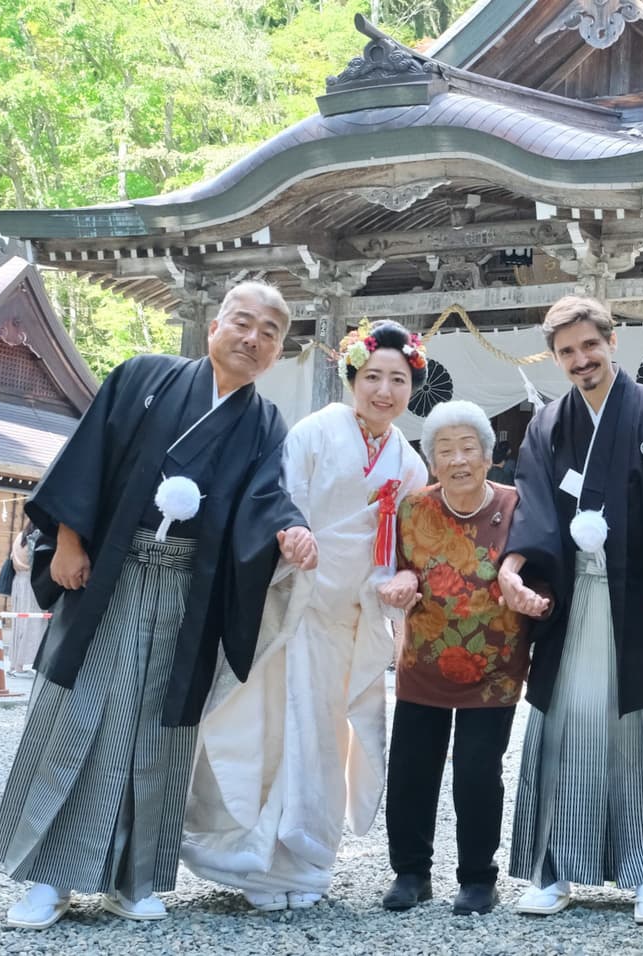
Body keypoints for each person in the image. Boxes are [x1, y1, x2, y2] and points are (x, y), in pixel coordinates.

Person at [0, 280, 315, 930]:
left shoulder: (263, 423)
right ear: (215, 323)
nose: (253, 338)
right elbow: (88, 458)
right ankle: (49, 880)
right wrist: (69, 543)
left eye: (270, 331)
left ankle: (131, 879)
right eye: (243, 322)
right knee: (85, 717)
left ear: (279, 350)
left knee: (158, 736)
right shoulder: (144, 376)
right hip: (111, 575)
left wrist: (292, 528)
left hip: (188, 595)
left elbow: (266, 496)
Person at [183, 319, 429, 912]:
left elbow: (417, 546)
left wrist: (407, 577)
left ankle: (309, 860)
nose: (384, 391)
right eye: (372, 376)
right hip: (297, 607)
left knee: (328, 741)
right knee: (280, 731)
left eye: (398, 379)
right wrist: (290, 539)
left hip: (356, 620)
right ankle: (259, 862)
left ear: (411, 389)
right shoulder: (317, 431)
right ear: (352, 378)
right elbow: (280, 500)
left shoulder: (410, 461)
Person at [498, 295, 643, 926]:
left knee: (642, 731)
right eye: (566, 352)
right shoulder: (547, 425)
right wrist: (514, 569)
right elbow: (535, 508)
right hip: (572, 599)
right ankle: (554, 868)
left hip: (640, 602)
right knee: (565, 727)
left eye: (588, 346)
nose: (580, 360)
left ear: (611, 342)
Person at [378, 400, 548, 917]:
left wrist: (534, 597)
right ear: (430, 461)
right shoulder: (413, 508)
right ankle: (410, 873)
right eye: (444, 450)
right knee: (410, 767)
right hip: (423, 663)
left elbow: (543, 567)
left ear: (488, 455)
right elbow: (399, 566)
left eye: (468, 448)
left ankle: (478, 878)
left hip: (493, 669)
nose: (457, 460)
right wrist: (403, 580)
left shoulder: (520, 506)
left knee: (478, 770)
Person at [5, 525, 48, 678]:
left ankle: (14, 664)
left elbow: (12, 558)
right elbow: (34, 561)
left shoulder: (20, 536)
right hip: (32, 582)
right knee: (32, 622)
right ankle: (21, 666)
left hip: (18, 581)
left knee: (19, 623)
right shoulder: (37, 536)